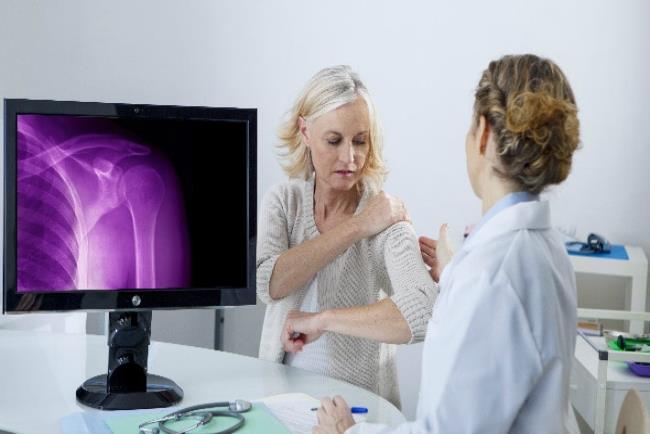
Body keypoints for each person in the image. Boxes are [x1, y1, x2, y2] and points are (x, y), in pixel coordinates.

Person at [314, 54, 581, 433]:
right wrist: (455, 273)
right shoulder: (546, 250)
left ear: (484, 133)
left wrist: (349, 432)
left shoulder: (490, 276)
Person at [256, 65, 437, 407]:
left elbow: (424, 312)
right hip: (282, 402)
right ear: (305, 131)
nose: (349, 157)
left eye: (360, 141)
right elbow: (269, 285)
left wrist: (323, 320)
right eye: (334, 140)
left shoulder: (386, 217)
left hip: (359, 413)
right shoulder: (284, 201)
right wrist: (357, 226)